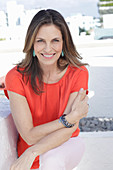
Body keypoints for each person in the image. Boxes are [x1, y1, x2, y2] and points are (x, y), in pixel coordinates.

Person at [4, 9, 89, 170]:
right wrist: (68, 119)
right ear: (31, 43)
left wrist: (32, 152)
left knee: (51, 159)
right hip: (29, 157)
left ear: (64, 42)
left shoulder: (78, 73)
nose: (48, 49)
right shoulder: (15, 77)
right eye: (40, 41)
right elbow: (29, 135)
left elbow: (68, 131)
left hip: (67, 144)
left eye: (55, 40)